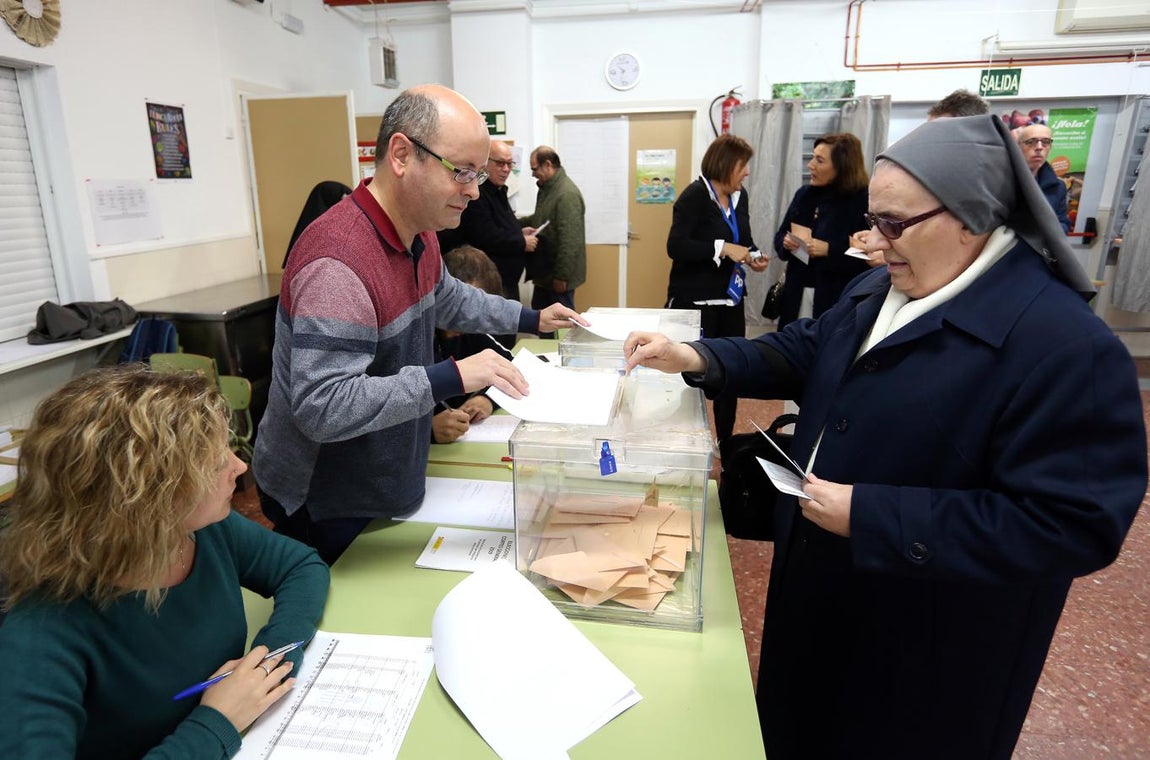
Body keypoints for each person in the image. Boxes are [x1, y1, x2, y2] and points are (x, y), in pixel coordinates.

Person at [624, 114, 1147, 760]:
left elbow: (1074, 523)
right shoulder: (883, 285)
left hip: (927, 657)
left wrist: (872, 515)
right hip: (823, 603)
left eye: (893, 225)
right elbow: (806, 348)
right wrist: (698, 358)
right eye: (874, 221)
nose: (874, 241)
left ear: (971, 218)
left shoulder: (1066, 348)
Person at [253, 85, 583, 565]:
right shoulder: (337, 263)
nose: (474, 190)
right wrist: (450, 376)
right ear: (403, 154)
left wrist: (532, 318)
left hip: (387, 478)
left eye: (478, 173)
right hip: (328, 499)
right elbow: (322, 406)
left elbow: (447, 296)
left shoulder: (421, 233)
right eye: (462, 172)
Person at [0, 366, 330, 759]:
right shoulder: (42, 633)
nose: (240, 467)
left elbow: (302, 567)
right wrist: (218, 721)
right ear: (149, 495)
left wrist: (270, 661)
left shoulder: (197, 531)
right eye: (214, 462)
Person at [665, 133, 768, 442]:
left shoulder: (741, 197)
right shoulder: (694, 196)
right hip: (695, 304)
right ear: (724, 164)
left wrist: (754, 255)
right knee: (689, 373)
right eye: (742, 166)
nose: (747, 172)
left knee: (731, 373)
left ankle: (725, 442)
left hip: (730, 301)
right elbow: (676, 246)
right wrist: (721, 248)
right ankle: (685, 440)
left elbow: (744, 239)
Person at [437, 139, 539, 347]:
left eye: (510, 164)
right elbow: (485, 235)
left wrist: (518, 231)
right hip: (483, 287)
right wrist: (520, 241)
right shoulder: (479, 195)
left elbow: (498, 225)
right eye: (500, 163)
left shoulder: (498, 191)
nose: (506, 169)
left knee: (507, 339)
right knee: (492, 343)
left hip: (505, 283)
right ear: (486, 163)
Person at [772, 132, 870, 327]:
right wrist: (786, 242)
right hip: (797, 291)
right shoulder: (804, 195)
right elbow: (780, 235)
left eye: (820, 160)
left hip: (836, 295)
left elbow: (868, 256)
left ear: (842, 166)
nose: (811, 165)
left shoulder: (862, 200)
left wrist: (829, 250)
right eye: (812, 158)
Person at [432, 245, 513, 444]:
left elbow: (513, 365)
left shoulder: (471, 332)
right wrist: (427, 431)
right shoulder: (415, 340)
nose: (468, 323)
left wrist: (487, 399)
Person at [521, 145, 586, 328]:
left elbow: (570, 240)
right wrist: (510, 224)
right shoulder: (548, 189)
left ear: (548, 165)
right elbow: (538, 218)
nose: (533, 174)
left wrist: (562, 276)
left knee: (562, 326)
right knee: (542, 322)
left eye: (534, 169)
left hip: (557, 278)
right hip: (544, 273)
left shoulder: (566, 194)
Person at [1017, 122, 1071, 233]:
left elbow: (1063, 222)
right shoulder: (1001, 181)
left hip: (1041, 247)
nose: (1039, 147)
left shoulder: (1058, 187)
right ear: (1018, 147)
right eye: (1031, 142)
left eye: (1045, 142)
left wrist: (1049, 232)